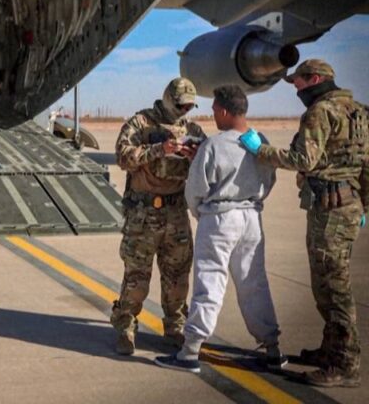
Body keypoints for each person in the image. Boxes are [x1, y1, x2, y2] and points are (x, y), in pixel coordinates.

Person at [240, 59, 368, 387]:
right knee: (329, 283)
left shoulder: (320, 112)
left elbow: (302, 160)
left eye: (297, 82)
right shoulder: (359, 112)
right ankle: (330, 350)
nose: (295, 88)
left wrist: (260, 150)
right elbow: (366, 164)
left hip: (329, 210)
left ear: (314, 79)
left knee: (332, 287)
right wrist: (364, 204)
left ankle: (346, 364)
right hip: (347, 206)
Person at [154, 85, 287, 373]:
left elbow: (195, 190)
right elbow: (270, 179)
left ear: (225, 111)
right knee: (254, 283)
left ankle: (190, 351)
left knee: (210, 283)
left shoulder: (213, 146)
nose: (213, 115)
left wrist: (201, 214)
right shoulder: (260, 142)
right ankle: (272, 348)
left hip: (219, 219)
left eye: (215, 110)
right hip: (251, 218)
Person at [111, 77, 206, 355]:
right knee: (137, 275)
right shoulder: (140, 123)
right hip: (143, 214)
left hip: (176, 213)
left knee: (177, 276)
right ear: (168, 99)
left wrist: (195, 156)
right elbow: (123, 157)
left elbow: (208, 166)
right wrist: (159, 150)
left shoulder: (192, 130)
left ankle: (175, 326)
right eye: (181, 105)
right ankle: (126, 326)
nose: (184, 111)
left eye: (189, 107)